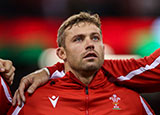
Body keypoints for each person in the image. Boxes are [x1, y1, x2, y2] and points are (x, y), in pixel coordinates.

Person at [3, 12, 160, 114]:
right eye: (78, 39)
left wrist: (49, 71)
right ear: (61, 53)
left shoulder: (132, 101)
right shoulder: (33, 100)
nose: (90, 44)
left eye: (95, 38)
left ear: (103, 49)